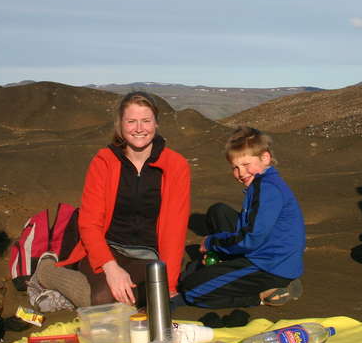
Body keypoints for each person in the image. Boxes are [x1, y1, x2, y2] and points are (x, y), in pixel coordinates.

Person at [46, 91, 191, 305]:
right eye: (131, 121)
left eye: (146, 121)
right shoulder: (104, 161)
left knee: (142, 300)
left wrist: (168, 286)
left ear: (156, 124)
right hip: (106, 249)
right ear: (120, 125)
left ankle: (68, 284)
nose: (139, 128)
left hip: (149, 256)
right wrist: (111, 267)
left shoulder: (176, 165)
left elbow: (174, 229)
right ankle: (47, 272)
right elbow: (89, 222)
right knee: (105, 297)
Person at [179, 126, 305, 308]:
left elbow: (251, 239)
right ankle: (229, 266)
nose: (241, 173)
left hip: (270, 265)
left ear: (265, 157)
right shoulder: (264, 181)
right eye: (235, 168)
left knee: (190, 288)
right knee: (218, 211)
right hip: (273, 253)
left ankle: (261, 296)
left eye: (246, 165)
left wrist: (212, 243)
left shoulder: (267, 189)